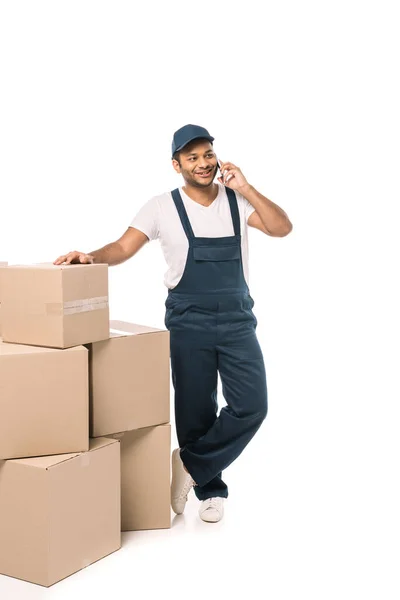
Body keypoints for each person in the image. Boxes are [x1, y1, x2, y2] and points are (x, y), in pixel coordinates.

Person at [54, 124, 292, 523]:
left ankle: (191, 464)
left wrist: (247, 188)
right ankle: (211, 491)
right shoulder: (161, 206)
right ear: (176, 164)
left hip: (237, 320)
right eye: (192, 157)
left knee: (252, 406)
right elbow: (123, 246)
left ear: (217, 157)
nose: (203, 163)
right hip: (188, 321)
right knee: (195, 408)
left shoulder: (237, 201)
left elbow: (282, 228)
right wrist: (90, 257)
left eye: (208, 154)